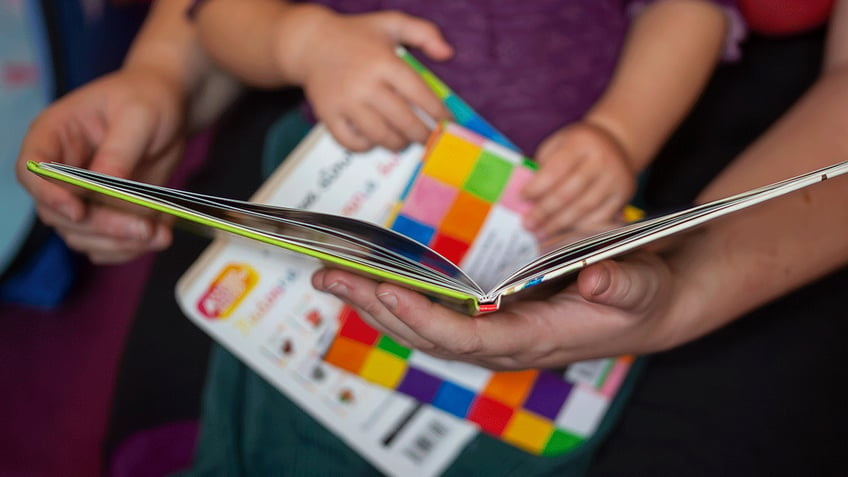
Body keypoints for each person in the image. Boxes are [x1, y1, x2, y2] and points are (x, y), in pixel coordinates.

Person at [191, 0, 737, 239]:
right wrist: (303, 41)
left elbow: (690, 9)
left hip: (562, 200)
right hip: (355, 190)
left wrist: (622, 133)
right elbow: (221, 13)